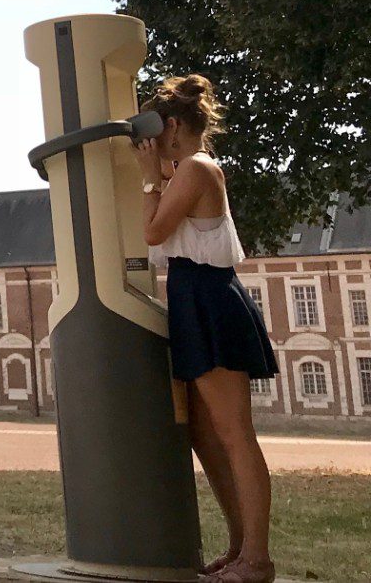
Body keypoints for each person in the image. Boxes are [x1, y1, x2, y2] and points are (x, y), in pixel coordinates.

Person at [134, 74, 277, 583]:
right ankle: (240, 547)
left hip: (210, 298)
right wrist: (158, 174)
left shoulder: (195, 168)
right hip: (194, 299)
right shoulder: (185, 172)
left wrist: (152, 175)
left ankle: (257, 559)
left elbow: (153, 231)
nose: (148, 145)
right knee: (205, 434)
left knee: (235, 435)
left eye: (153, 133)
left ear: (173, 127)